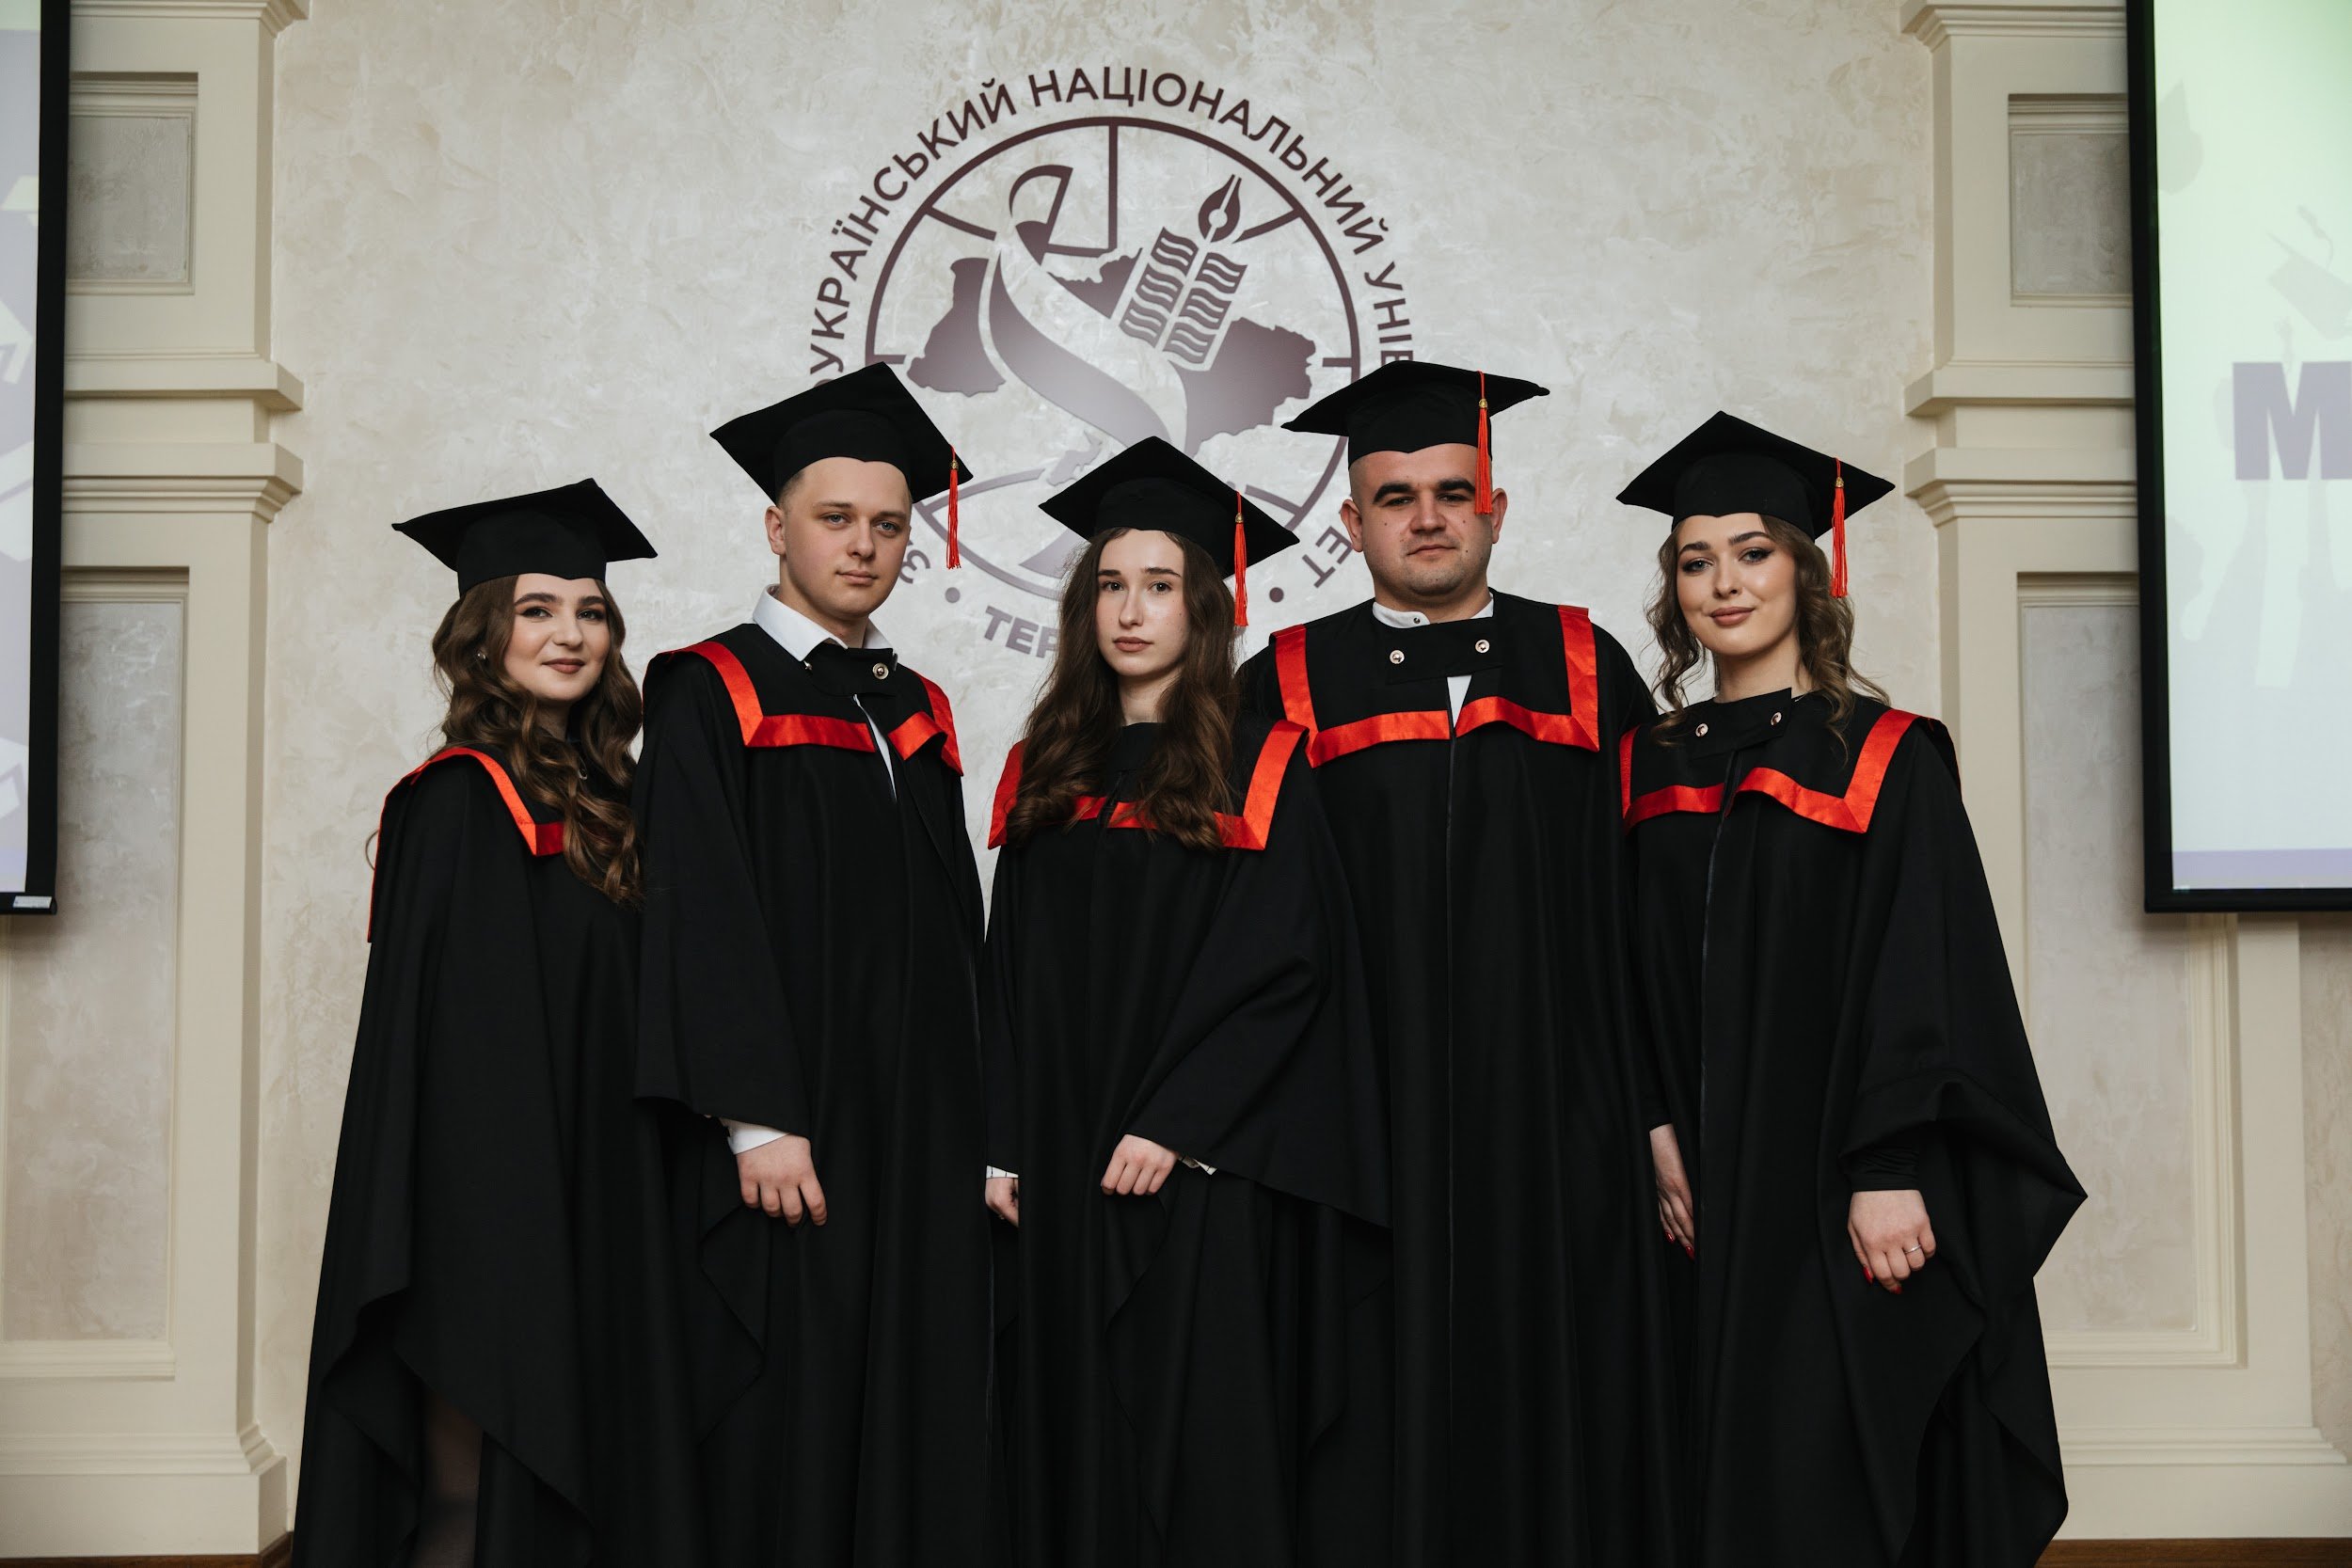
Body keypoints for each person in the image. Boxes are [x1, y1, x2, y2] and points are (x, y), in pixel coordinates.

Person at [1615, 412, 2083, 1566]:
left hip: (1828, 1172)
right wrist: (1653, 1124)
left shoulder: (1884, 755)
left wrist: (1887, 1168)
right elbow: (1614, 961)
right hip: (1687, 1183)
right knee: (1685, 1449)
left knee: (1817, 1451)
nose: (1724, 583)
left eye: (1752, 552)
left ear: (1805, 571)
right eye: (1695, 561)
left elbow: (1924, 968)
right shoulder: (1645, 762)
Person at [1240, 360, 1674, 1566]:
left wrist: (1650, 1107)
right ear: (1351, 521)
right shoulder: (1283, 680)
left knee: (1550, 1376)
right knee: (1362, 1393)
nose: (1425, 517)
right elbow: (1230, 923)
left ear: (1496, 508)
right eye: (1395, 497)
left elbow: (1652, 905)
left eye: (1451, 492)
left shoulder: (1582, 663)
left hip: (1555, 1112)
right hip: (1351, 1118)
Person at [982, 436, 1389, 1568]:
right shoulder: (1046, 765)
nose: (1130, 610)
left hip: (1200, 1162)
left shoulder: (1262, 763)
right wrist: (1001, 1137)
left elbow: (1286, 963)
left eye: (1159, 585)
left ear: (1203, 607)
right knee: (1068, 1415)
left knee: (1195, 1422)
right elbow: (1006, 964)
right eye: (1110, 584)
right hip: (1060, 1154)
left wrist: (1177, 1122)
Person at [295, 481, 700, 1566]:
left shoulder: (620, 800)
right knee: (480, 1469)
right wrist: (502, 1206)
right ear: (482, 633)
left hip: (606, 1173)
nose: (569, 633)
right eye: (536, 608)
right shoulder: (455, 800)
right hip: (490, 1197)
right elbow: (446, 1041)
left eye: (590, 610)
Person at [632, 364, 989, 1568]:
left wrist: (980, 1121)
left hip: (918, 1121)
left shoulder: (915, 703)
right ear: (776, 527)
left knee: (907, 1375)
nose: (864, 544)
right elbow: (700, 904)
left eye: (888, 523)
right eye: (835, 518)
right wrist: (755, 1119)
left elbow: (954, 922)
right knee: (793, 1383)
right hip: (796, 1116)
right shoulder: (710, 685)